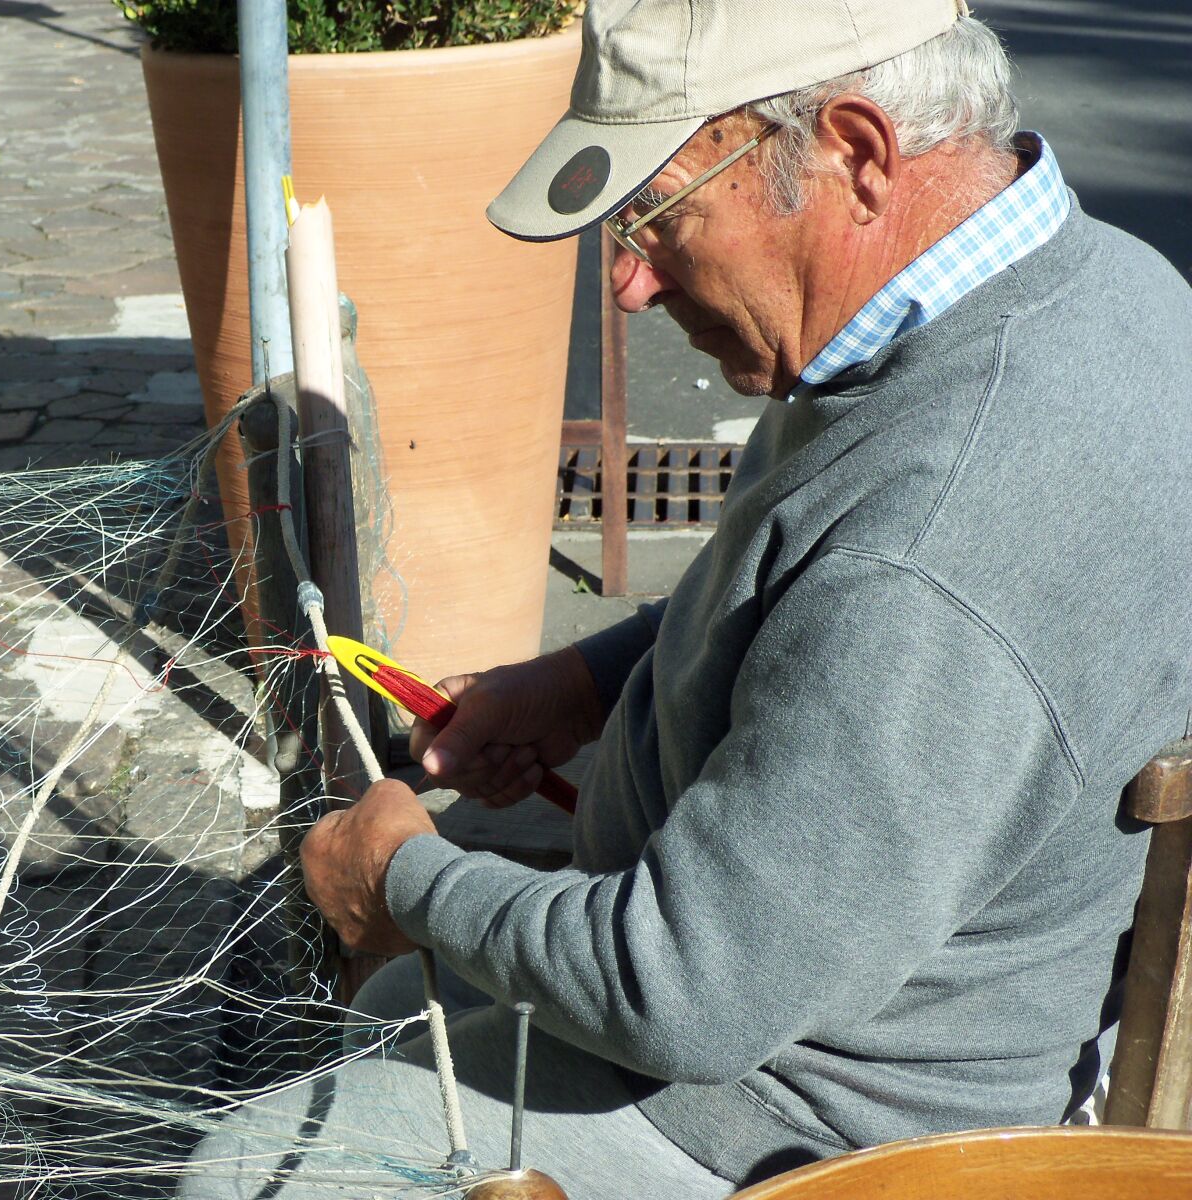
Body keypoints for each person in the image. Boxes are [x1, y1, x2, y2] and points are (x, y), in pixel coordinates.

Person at [181, 0, 1192, 1194]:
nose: (625, 284)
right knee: (407, 1004)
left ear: (857, 156)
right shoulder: (1100, 287)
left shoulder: (938, 532)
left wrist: (402, 879)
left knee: (262, 1170)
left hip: (824, 1125)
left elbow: (685, 990)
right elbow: (828, 604)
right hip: (842, 995)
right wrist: (584, 681)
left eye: (658, 220)